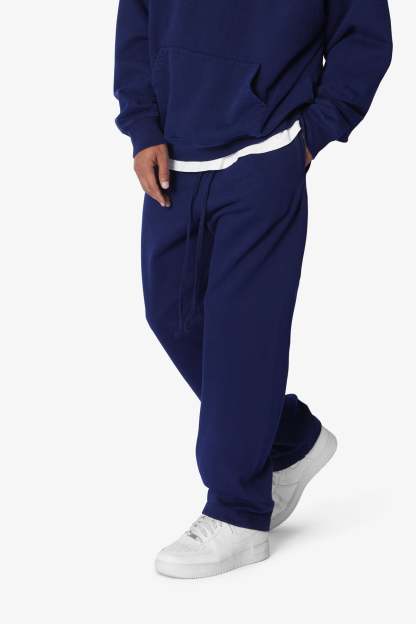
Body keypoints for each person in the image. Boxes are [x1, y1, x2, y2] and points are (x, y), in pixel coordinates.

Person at [114, 0, 392, 579]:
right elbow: (137, 17)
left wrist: (311, 136)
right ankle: (290, 438)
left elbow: (363, 34)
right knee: (172, 316)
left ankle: (238, 512)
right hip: (174, 157)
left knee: (241, 334)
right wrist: (142, 126)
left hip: (265, 155)